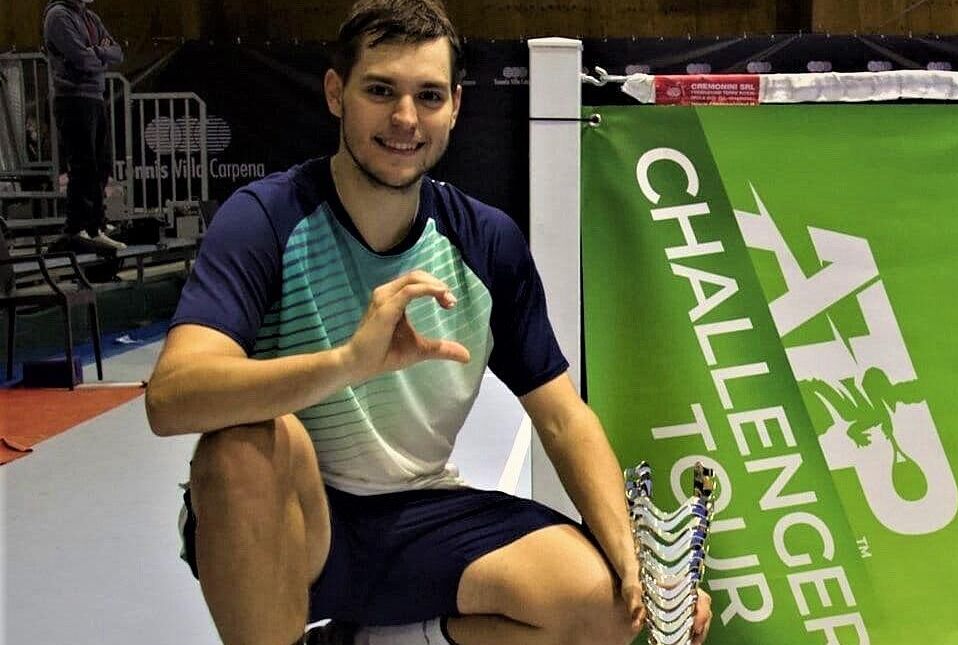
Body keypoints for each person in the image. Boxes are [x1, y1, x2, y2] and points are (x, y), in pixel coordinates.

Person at [144, 1, 713, 644]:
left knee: (603, 608)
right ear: (335, 93)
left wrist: (633, 564)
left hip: (419, 512)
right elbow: (172, 397)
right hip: (292, 519)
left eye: (429, 96)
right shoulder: (266, 220)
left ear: (455, 107)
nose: (406, 118)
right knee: (240, 447)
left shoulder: (486, 242)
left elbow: (562, 417)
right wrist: (346, 364)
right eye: (380, 90)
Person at [42, 0, 126, 251]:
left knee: (102, 163)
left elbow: (118, 53)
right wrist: (100, 54)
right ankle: (80, 227)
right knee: (84, 165)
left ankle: (96, 223)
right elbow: (81, 59)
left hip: (95, 97)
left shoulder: (91, 17)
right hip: (72, 98)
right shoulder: (58, 16)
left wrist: (96, 51)